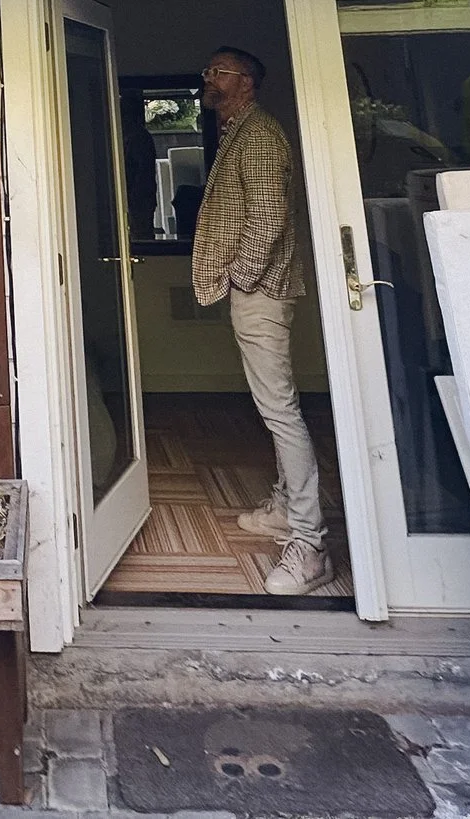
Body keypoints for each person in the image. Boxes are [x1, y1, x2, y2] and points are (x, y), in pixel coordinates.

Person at [190, 45, 331, 596]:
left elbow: (269, 216)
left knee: (280, 410)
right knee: (276, 407)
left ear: (246, 81)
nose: (208, 78)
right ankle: (286, 509)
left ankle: (309, 542)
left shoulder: (262, 135)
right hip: (257, 288)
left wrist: (242, 278)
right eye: (208, 70)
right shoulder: (240, 131)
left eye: (218, 71)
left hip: (262, 290)